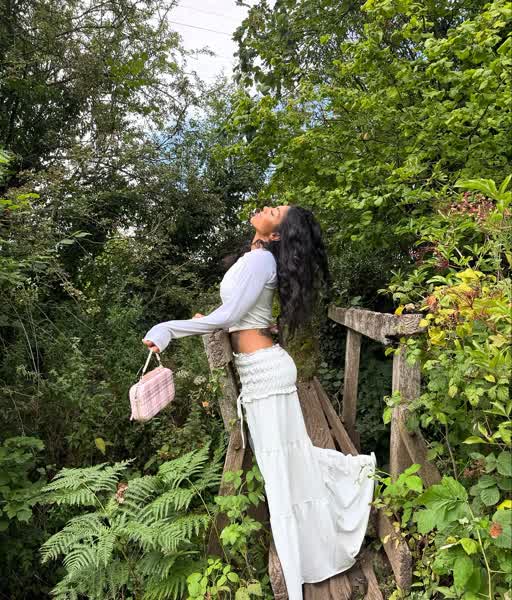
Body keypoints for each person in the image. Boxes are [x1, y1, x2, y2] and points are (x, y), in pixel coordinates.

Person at [142, 204, 377, 599]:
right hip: (261, 370)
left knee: (280, 469)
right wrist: (211, 319)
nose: (269, 206)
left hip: (265, 373)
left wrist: (166, 329)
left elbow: (228, 316)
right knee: (285, 464)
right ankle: (318, 535)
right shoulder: (257, 258)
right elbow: (237, 313)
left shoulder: (261, 261)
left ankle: (306, 558)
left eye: (277, 211)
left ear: (277, 234)